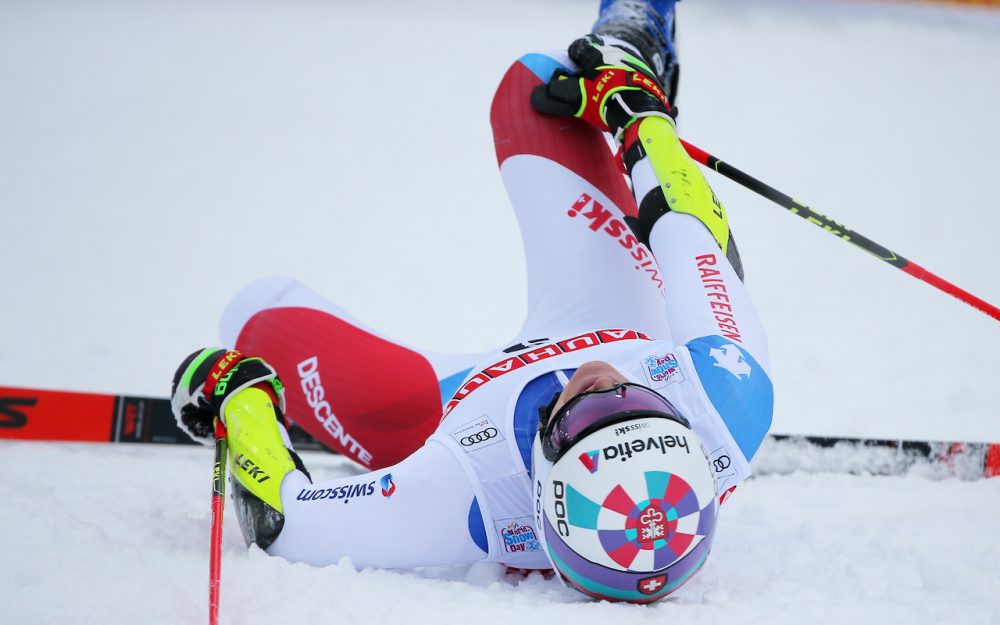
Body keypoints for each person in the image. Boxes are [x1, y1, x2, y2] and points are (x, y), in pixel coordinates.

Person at [171, 0, 773, 603]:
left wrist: (245, 402)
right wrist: (640, 116)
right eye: (643, 403)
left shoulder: (467, 493)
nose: (602, 380)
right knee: (540, 85)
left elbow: (287, 528)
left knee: (256, 314)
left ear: (540, 471)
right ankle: (632, 41)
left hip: (458, 404)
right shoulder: (728, 398)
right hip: (612, 320)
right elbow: (690, 231)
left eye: (586, 417)